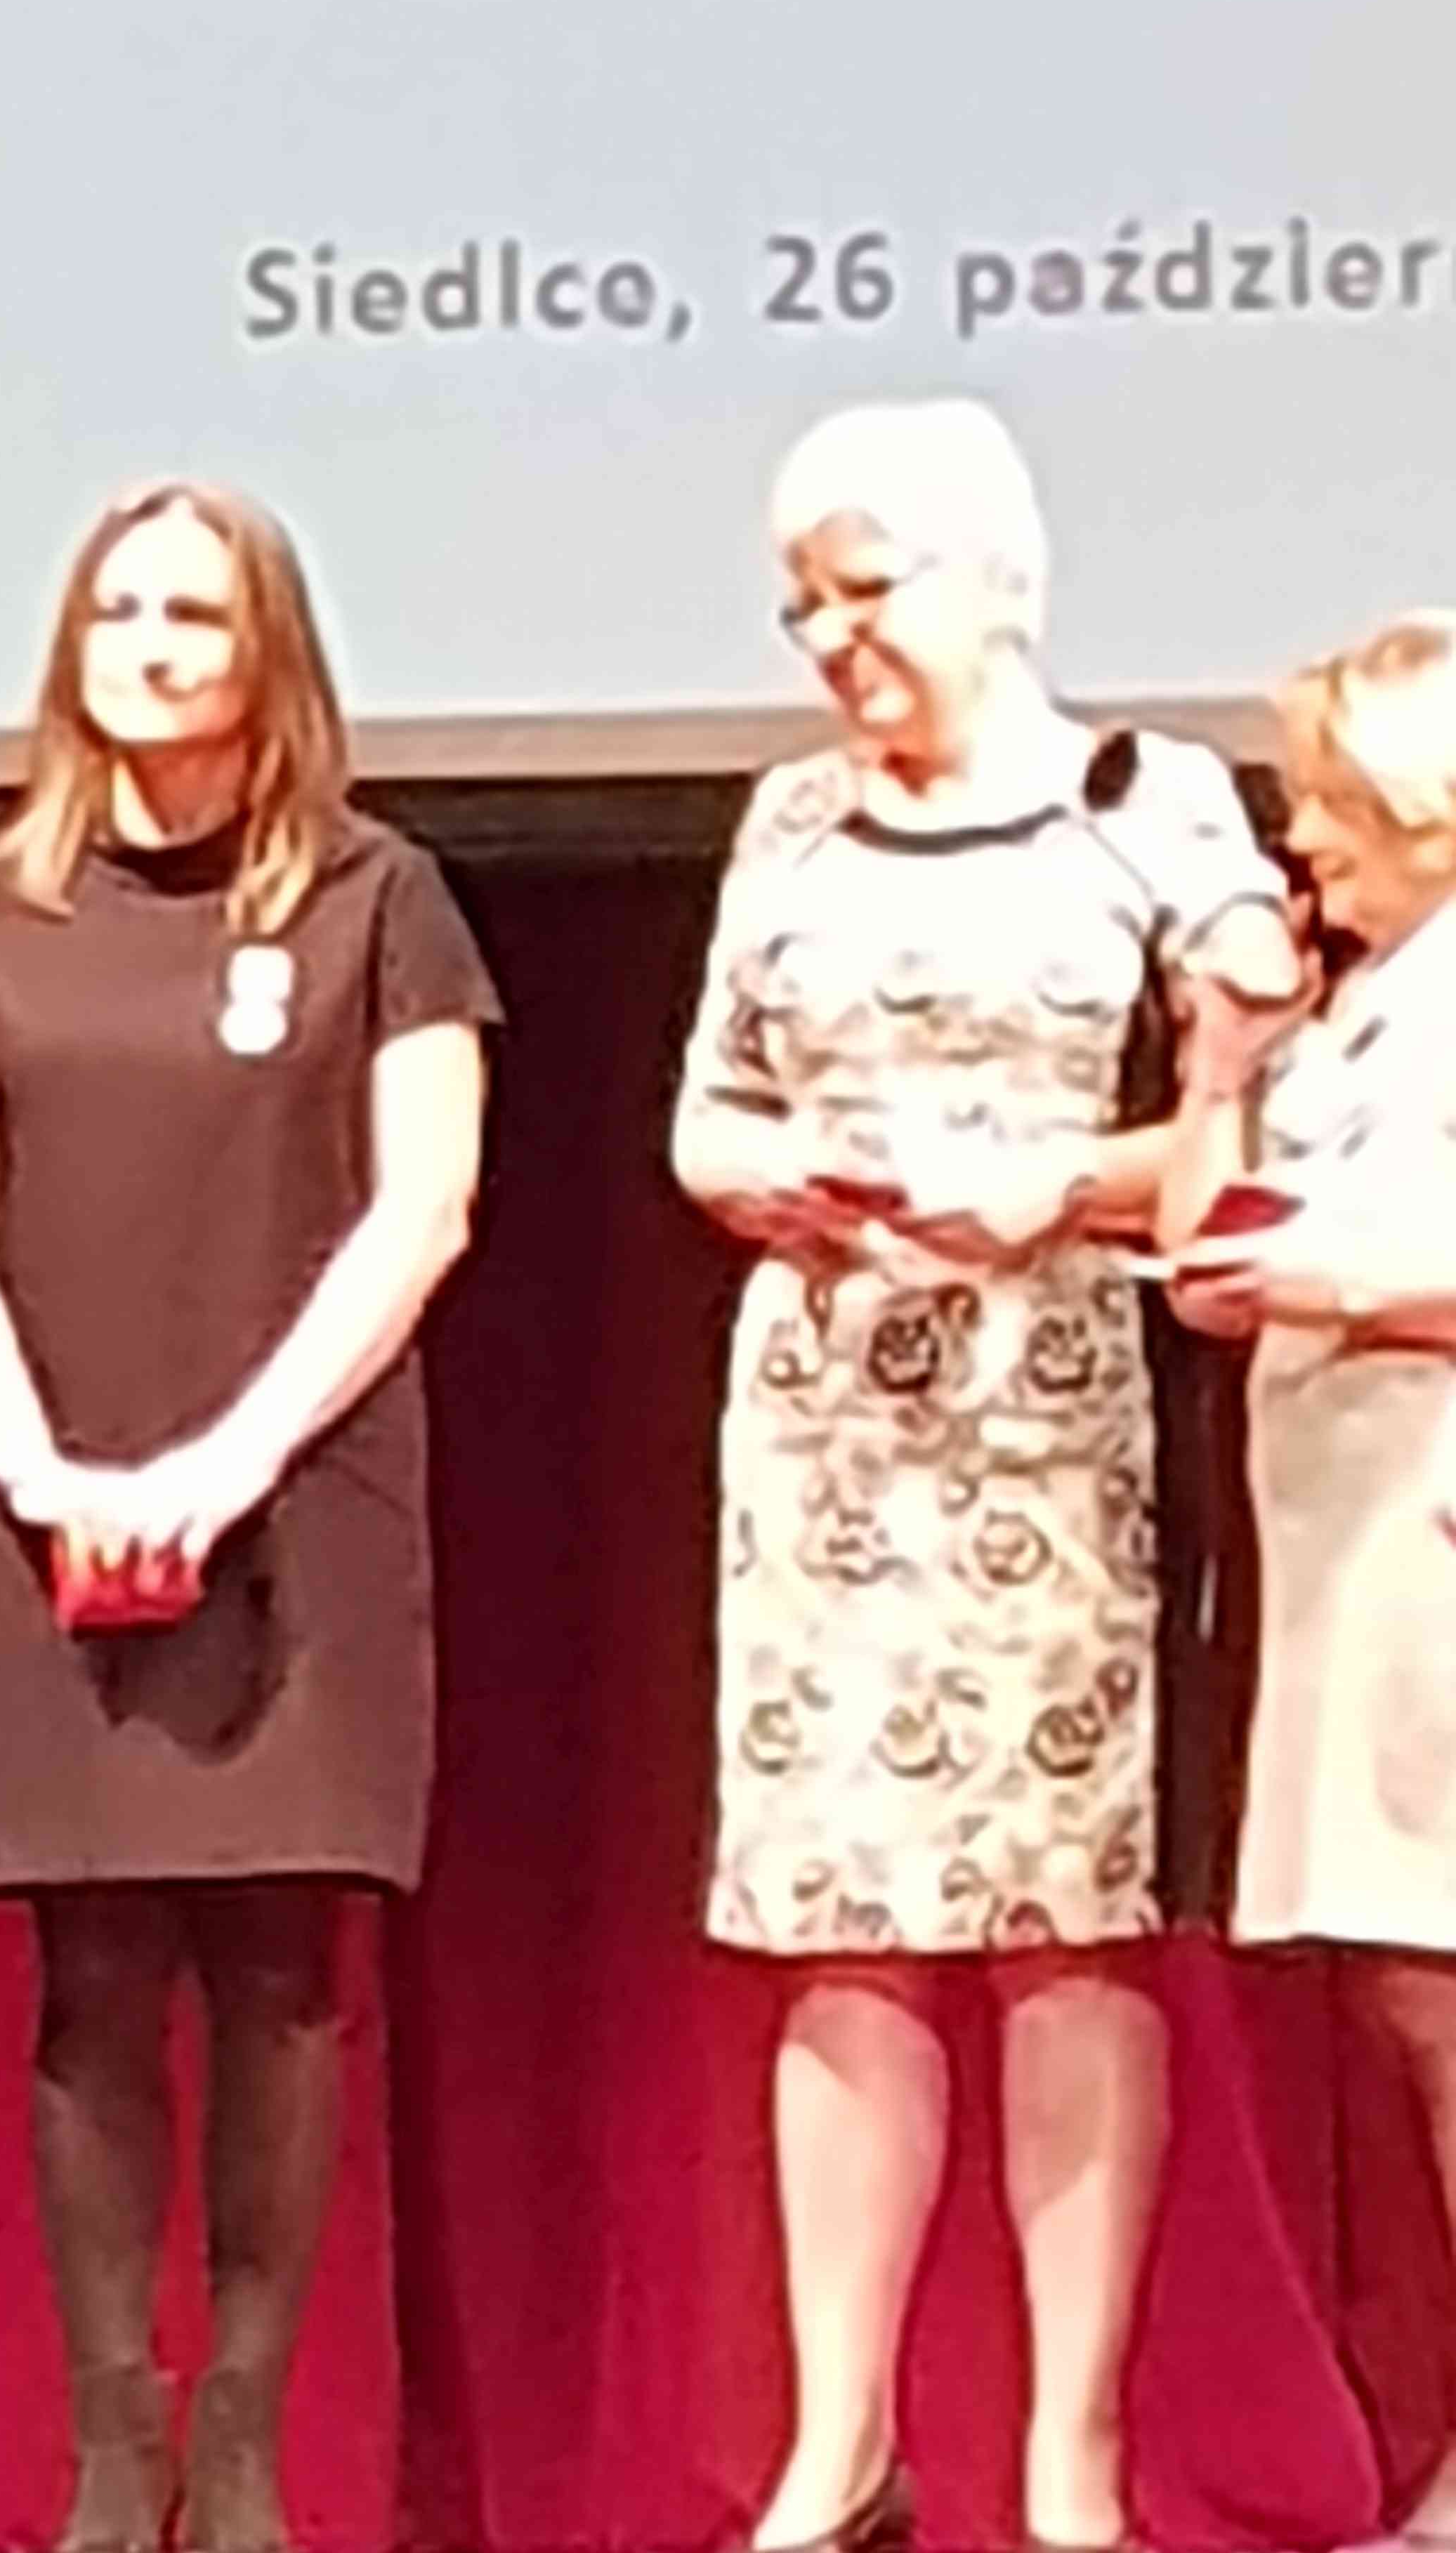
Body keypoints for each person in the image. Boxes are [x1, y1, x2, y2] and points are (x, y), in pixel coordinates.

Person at [669, 400, 1294, 2553]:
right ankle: (839, 2448)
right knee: (837, 1924)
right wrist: (765, 1180)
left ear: (987, 578)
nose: (831, 637)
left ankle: (1072, 2459)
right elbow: (706, 1112)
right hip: (828, 1414)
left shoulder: (1153, 800)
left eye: (865, 589)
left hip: (1054, 1411)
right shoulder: (785, 822)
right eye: (802, 603)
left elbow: (1245, 1123)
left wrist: (1059, 1182)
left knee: (1063, 1929)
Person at [0, 480, 496, 2553]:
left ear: (268, 653)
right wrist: (39, 1473)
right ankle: (110, 2457)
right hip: (49, 1493)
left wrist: (228, 1469)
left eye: (197, 616)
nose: (151, 648)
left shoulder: (379, 897)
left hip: (297, 1494)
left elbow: (427, 1204)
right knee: (91, 1976)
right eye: (120, 612)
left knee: (278, 1974)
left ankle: (239, 2459)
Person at [1164, 611, 1456, 2548]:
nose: (1301, 839)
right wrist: (1223, 1066)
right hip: (1348, 1546)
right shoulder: (1362, 1013)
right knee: (1412, 1999)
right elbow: (1211, 1259)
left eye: (1330, 800)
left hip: (1437, 1529)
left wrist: (1341, 1282)